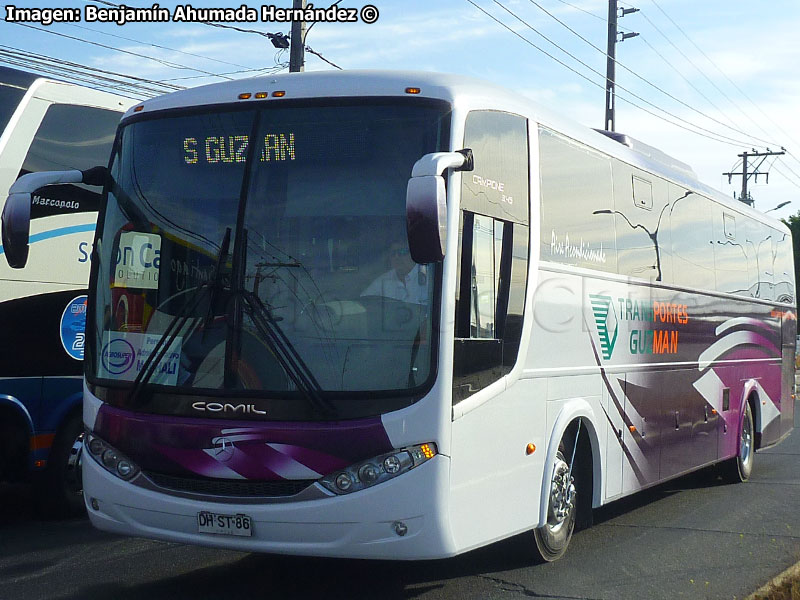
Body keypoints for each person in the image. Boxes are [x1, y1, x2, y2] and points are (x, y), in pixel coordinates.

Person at [361, 240, 428, 305]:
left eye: (402, 252)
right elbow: (364, 301)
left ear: (413, 254)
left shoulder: (430, 276)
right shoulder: (383, 280)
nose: (397, 257)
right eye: (393, 254)